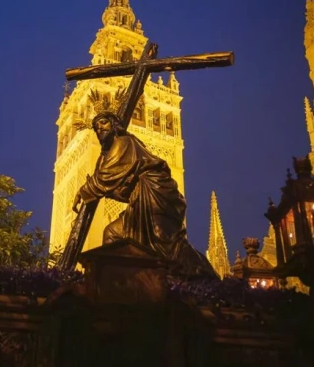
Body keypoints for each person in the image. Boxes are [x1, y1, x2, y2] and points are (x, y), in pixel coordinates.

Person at [73, 111, 216, 277]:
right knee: (112, 232)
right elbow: (113, 183)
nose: (100, 129)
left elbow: (106, 177)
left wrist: (84, 191)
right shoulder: (108, 153)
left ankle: (202, 275)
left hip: (155, 194)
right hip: (139, 201)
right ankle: (116, 280)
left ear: (114, 124)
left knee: (164, 241)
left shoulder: (123, 142)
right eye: (96, 128)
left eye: (103, 123)